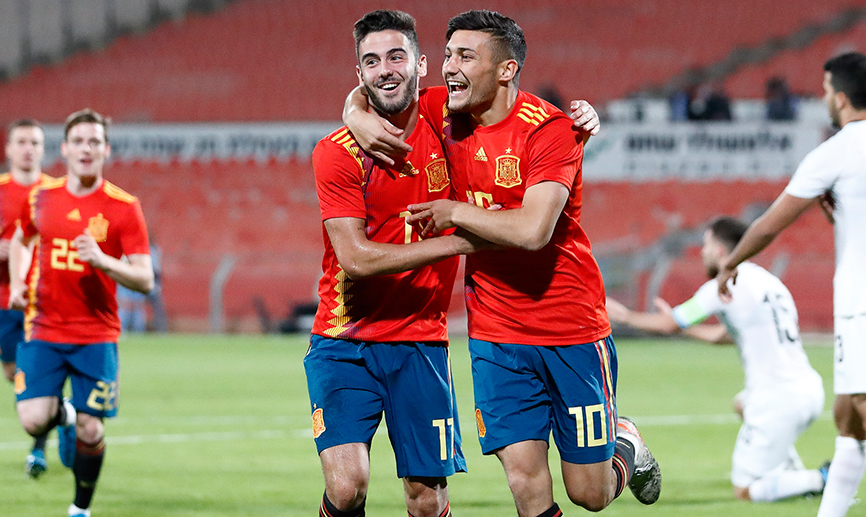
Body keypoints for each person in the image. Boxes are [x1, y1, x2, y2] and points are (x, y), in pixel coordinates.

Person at [347, 10, 660, 516]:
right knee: (525, 483)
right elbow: (380, 88)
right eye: (448, 54)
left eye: (465, 56)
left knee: (590, 495)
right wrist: (354, 114)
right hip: (496, 333)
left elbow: (533, 231)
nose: (449, 67)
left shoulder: (552, 131)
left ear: (506, 69)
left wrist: (453, 212)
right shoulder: (442, 110)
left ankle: (625, 445)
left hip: (569, 328)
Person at [716, 52, 866, 517]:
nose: (822, 97)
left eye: (823, 89)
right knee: (849, 418)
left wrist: (731, 262)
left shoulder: (838, 150)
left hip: (860, 300)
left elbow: (769, 224)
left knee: (859, 410)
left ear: (839, 97)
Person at [608, 216, 827, 502]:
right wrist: (680, 325)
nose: (702, 252)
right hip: (809, 390)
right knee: (742, 403)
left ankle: (822, 478)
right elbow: (723, 334)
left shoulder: (725, 283)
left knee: (746, 490)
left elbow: (669, 324)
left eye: (707, 244)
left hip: (778, 399)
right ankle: (795, 475)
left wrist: (625, 316)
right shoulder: (768, 282)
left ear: (722, 251)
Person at [9, 109, 153, 517]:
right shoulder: (41, 197)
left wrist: (104, 261)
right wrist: (18, 282)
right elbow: (21, 241)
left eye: (94, 142)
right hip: (44, 327)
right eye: (79, 141)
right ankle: (67, 412)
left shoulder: (123, 207)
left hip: (96, 333)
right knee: (33, 420)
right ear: (64, 149)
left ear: (105, 150)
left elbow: (145, 279)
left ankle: (80, 507)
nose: (86, 149)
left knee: (93, 429)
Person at [1, 119, 57, 477]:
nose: (28, 148)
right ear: (8, 149)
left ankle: (39, 447)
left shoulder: (55, 193)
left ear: (43, 149)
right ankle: (60, 413)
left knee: (43, 373)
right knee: (13, 372)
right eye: (21, 142)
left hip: (45, 300)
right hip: (4, 300)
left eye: (35, 142)